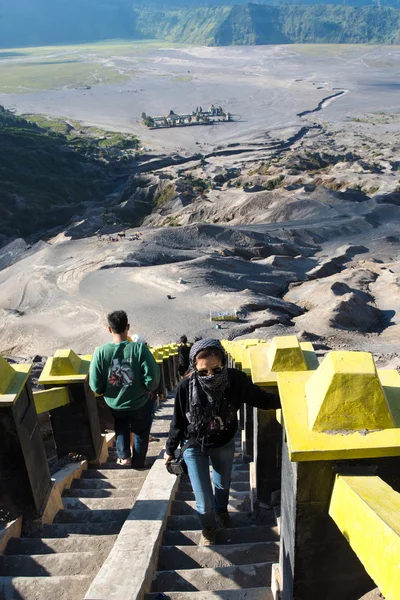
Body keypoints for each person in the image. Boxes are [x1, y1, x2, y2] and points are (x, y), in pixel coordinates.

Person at [164, 338, 279, 545]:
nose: (210, 376)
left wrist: (294, 398)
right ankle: (208, 528)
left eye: (216, 370)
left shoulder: (235, 380)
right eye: (203, 372)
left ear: (224, 363)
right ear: (194, 368)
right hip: (194, 445)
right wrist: (170, 449)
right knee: (203, 502)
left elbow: (261, 399)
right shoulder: (184, 388)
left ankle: (222, 511)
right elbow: (178, 422)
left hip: (224, 442)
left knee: (223, 485)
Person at [89, 311, 160, 468]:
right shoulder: (140, 349)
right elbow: (153, 378)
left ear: (109, 329)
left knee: (120, 425)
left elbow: (95, 383)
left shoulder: (100, 352)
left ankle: (124, 457)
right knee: (141, 430)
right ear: (128, 327)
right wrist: (147, 388)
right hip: (140, 401)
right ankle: (139, 461)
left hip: (115, 403)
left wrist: (104, 391)